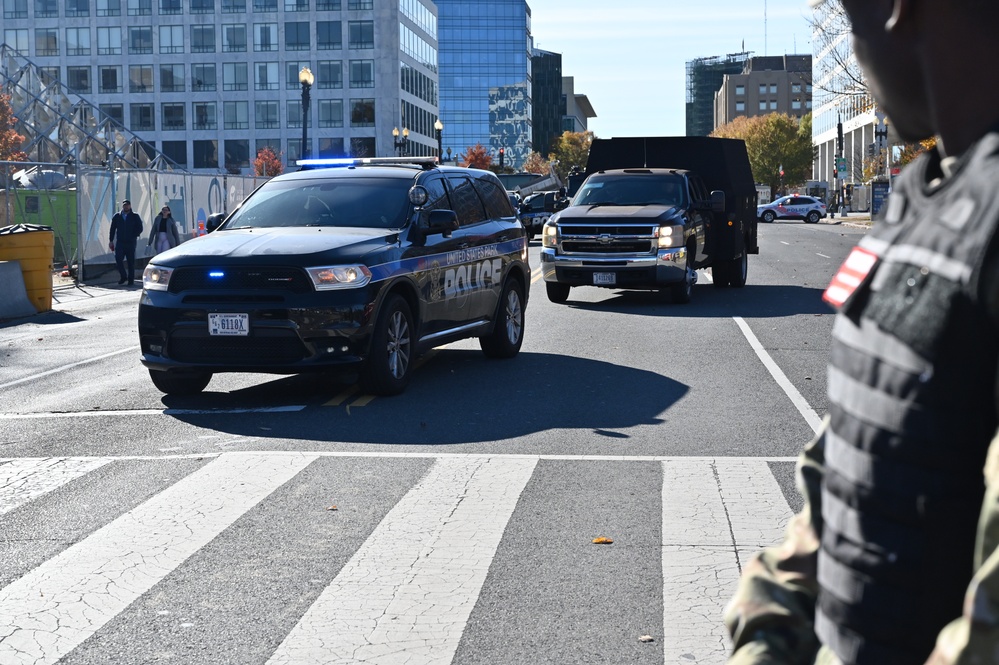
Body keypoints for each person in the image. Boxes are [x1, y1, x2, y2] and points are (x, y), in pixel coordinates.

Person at [724, 1, 999, 664]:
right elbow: (852, 445)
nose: (856, 59)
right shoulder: (916, 197)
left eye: (852, 25)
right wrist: (766, 627)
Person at [109, 199, 143, 285]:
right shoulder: (117, 216)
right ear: (122, 206)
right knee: (118, 259)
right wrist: (111, 240)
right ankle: (123, 276)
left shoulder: (135, 216)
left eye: (127, 205)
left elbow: (140, 228)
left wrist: (133, 235)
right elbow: (112, 229)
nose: (126, 206)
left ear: (130, 206)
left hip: (130, 242)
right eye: (124, 205)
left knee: (130, 261)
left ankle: (131, 279)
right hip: (120, 242)